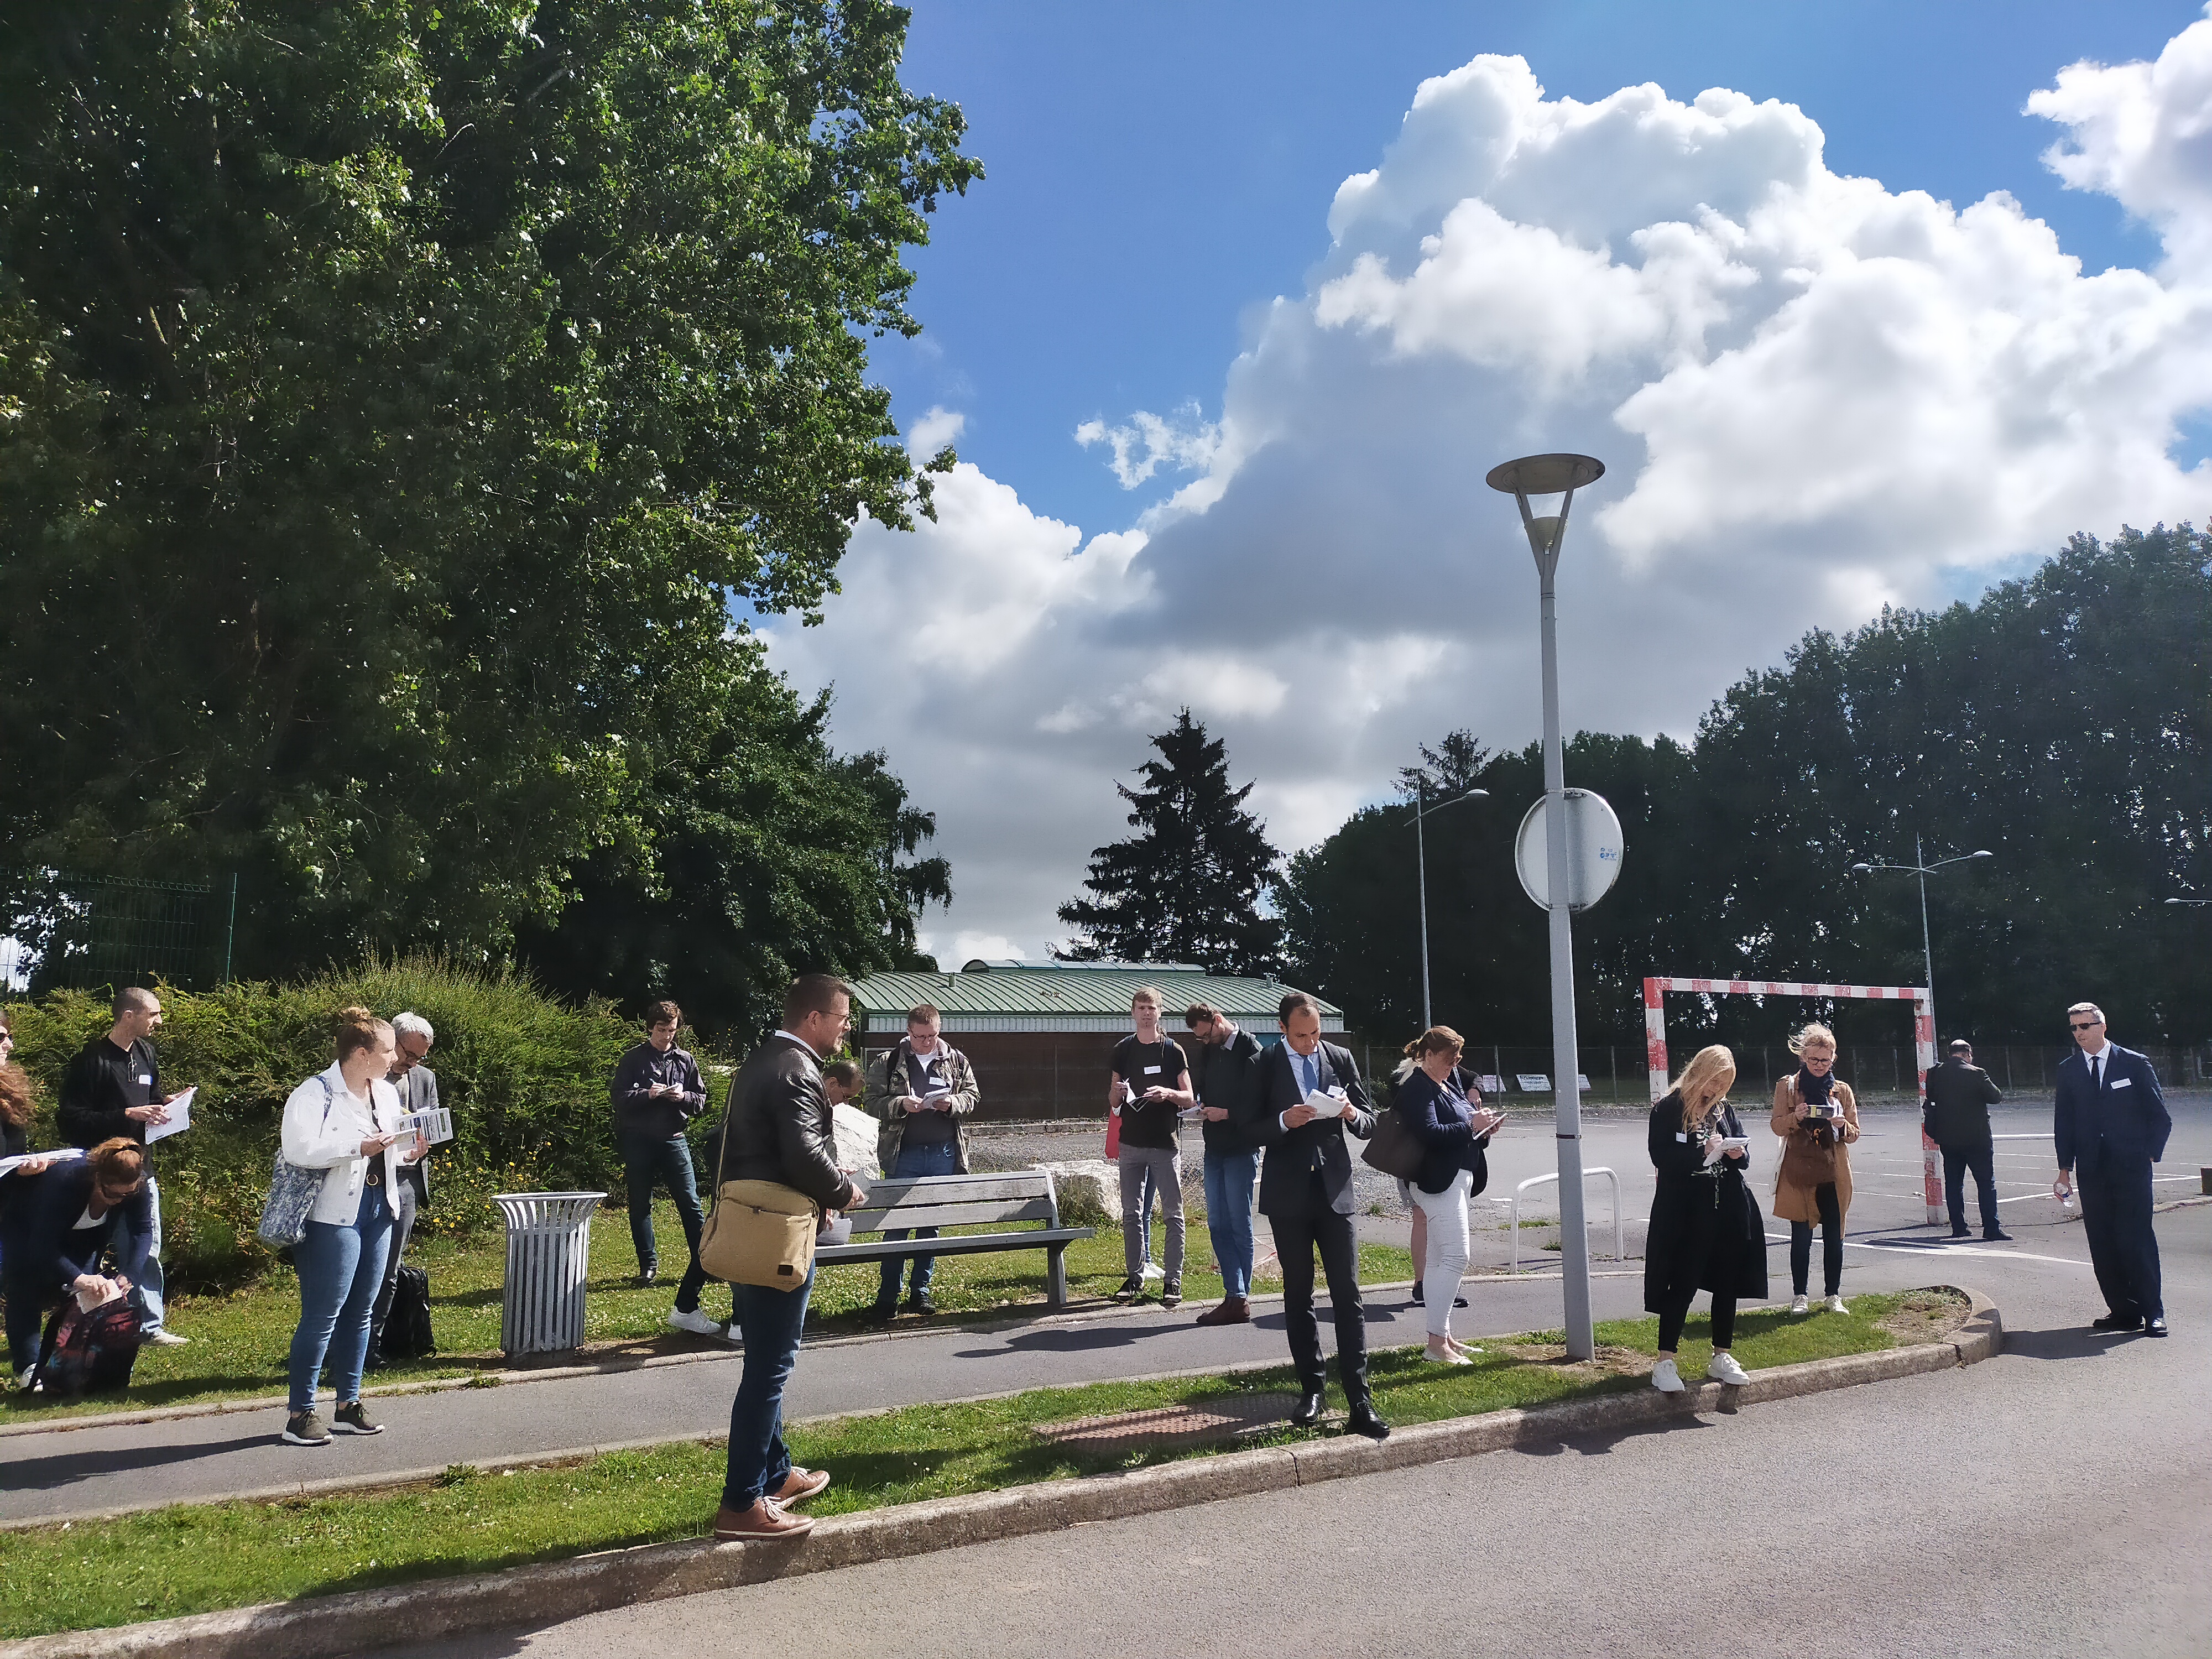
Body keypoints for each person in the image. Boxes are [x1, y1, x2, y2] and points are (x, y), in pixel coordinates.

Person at [709, 973, 863, 1540]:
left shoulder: (760, 1062)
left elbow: (747, 1145)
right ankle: (743, 1504)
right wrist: (843, 1193)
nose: (846, 1028)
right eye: (843, 1018)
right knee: (769, 1370)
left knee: (763, 1358)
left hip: (750, 1227)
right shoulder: (798, 1072)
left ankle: (776, 1476)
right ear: (814, 1018)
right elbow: (802, 1155)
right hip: (777, 1235)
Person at [1235, 991, 1389, 1440]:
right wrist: (1284, 1120)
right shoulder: (1263, 1063)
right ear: (1283, 1029)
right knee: (1298, 1293)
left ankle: (1360, 1399)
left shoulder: (1339, 1057)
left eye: (1316, 1033)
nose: (1310, 1042)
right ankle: (1313, 1390)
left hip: (1335, 1190)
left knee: (1348, 1292)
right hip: (1288, 1194)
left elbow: (1370, 1121)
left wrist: (1351, 1112)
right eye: (1301, 1035)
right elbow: (1247, 1126)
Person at [279, 1007, 422, 1447]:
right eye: (387, 1051)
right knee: (323, 1314)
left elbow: (392, 1144)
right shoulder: (314, 1093)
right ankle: (300, 1412)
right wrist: (356, 1147)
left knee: (362, 1310)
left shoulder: (384, 1092)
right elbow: (299, 1149)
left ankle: (348, 1404)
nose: (394, 1058)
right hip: (332, 1216)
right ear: (361, 1054)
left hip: (380, 1207)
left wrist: (411, 1151)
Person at [56, 988, 190, 1346]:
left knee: (146, 1245)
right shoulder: (92, 1059)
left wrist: (167, 1104)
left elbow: (150, 1100)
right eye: (154, 1014)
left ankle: (148, 1326)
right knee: (89, 1250)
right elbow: (71, 1119)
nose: (159, 1021)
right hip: (98, 1176)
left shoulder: (147, 1053)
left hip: (141, 1169)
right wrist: (125, 1115)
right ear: (129, 1016)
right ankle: (80, 1327)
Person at [1645, 1045, 1767, 1394]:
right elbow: (1661, 1156)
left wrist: (1736, 1152)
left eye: (1724, 1085)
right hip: (1686, 1212)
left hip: (1726, 1207)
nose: (1715, 1091)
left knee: (1727, 1282)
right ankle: (1665, 1360)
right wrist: (1701, 1152)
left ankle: (1722, 1355)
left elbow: (1743, 1161)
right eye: (1713, 1082)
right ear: (1699, 1072)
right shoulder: (1668, 1108)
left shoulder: (1723, 1110)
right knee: (1682, 1282)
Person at [2053, 1003, 2172, 1337]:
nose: (2079, 1033)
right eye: (2074, 1027)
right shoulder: (2069, 1070)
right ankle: (2123, 1312)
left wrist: (2149, 1155)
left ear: (2103, 1026)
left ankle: (2153, 1312)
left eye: (2085, 1026)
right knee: (2103, 1243)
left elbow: (2159, 1116)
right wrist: (2065, 1169)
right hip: (2092, 1170)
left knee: (2135, 1239)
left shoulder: (2133, 1063)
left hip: (2131, 1168)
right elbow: (2065, 1122)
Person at [863, 1004, 980, 1319]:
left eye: (933, 1036)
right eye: (921, 1037)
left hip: (942, 1152)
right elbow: (871, 1102)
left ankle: (921, 1294)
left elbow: (972, 1096)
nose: (927, 1042)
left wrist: (952, 1102)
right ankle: (888, 1297)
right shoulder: (887, 1063)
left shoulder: (956, 1061)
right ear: (909, 1031)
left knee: (930, 1227)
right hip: (903, 1154)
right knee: (896, 1227)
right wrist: (901, 1103)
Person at [1396, 1026, 1504, 1364]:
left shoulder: (1446, 1083)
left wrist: (1483, 1130)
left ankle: (1443, 1336)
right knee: (1456, 1257)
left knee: (1444, 1259)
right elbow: (1429, 1133)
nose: (1453, 1065)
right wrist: (1472, 1126)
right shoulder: (1417, 1086)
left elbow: (1460, 1131)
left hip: (1455, 1179)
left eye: (1457, 1059)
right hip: (1436, 1183)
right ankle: (1436, 1344)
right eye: (1447, 1059)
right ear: (1427, 1055)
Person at [6, 1138, 153, 1386]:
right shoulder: (67, 1181)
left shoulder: (137, 1186)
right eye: (111, 1193)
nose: (118, 1200)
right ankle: (28, 1367)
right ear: (97, 1177)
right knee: (26, 1291)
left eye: (126, 1194)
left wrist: (130, 1274)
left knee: (81, 1299)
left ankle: (70, 1366)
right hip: (26, 1229)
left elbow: (142, 1230)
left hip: (85, 1235)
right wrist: (79, 1277)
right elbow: (42, 1246)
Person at [609, 1003, 715, 1336]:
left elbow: (701, 1101)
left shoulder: (684, 1061)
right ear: (650, 1028)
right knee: (640, 1202)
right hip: (639, 1139)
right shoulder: (634, 1059)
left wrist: (681, 1097)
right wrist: (649, 1095)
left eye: (672, 1031)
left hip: (674, 1138)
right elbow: (619, 1098)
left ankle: (704, 1261)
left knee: (690, 1201)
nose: (666, 1037)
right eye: (661, 1030)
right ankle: (648, 1264)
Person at [366, 1011, 442, 1369]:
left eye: (419, 1058)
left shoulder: (425, 1079)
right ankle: (343, 1346)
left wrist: (427, 1145)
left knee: (389, 1268)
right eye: (408, 1054)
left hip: (407, 1181)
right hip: (369, 1180)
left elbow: (431, 1123)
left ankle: (371, 1347)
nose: (412, 1063)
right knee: (360, 1266)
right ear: (390, 1041)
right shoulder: (366, 1074)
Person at [1107, 988, 1192, 1308]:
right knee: (1131, 1214)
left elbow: (1190, 1097)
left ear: (1160, 1013)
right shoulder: (1123, 1050)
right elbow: (1113, 1102)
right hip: (1130, 1145)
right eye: (1141, 1008)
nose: (1146, 1013)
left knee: (1173, 1215)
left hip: (1164, 1145)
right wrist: (1119, 1092)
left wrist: (1168, 1094)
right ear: (1133, 1012)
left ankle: (1173, 1281)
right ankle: (1135, 1277)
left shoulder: (1172, 1050)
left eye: (1152, 1008)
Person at [1769, 1022, 1860, 1314]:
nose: (1819, 1065)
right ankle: (1800, 1296)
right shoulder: (1787, 1087)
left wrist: (1841, 1124)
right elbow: (1776, 1126)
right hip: (1799, 1172)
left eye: (1825, 1060)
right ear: (1803, 1058)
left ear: (1834, 1059)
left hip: (1834, 1173)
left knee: (1835, 1236)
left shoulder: (1842, 1090)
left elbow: (1855, 1132)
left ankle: (1833, 1295)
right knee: (1801, 1237)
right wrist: (1795, 1116)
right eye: (1814, 1059)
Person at [1185, 1002, 1260, 1324]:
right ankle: (1236, 1295)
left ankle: (1238, 1298)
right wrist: (1200, 1106)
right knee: (1217, 1222)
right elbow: (1204, 1088)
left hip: (1241, 1148)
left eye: (1205, 1036)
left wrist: (1227, 1113)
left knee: (1238, 1222)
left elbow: (1260, 1102)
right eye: (1199, 1039)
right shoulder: (1208, 1050)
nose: (1204, 1042)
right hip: (1214, 1146)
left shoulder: (1250, 1048)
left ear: (1216, 1021)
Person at [1924, 1038, 2009, 1241]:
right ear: (1967, 1054)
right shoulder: (1977, 1073)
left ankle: (1959, 1227)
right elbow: (1996, 1097)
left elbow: (1932, 1097)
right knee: (1986, 1183)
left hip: (1948, 1137)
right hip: (1976, 1138)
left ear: (1950, 1054)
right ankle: (1991, 1228)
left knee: (1954, 1184)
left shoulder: (1935, 1073)